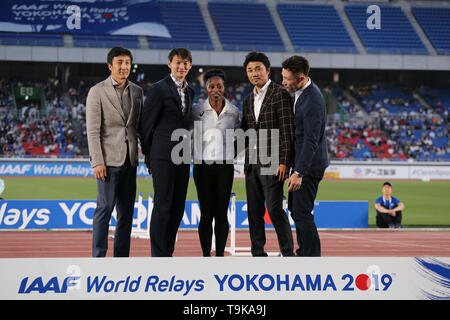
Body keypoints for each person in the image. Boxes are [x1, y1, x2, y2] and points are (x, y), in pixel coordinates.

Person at [86, 46, 144, 257]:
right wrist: (97, 161)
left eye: (127, 63)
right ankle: (98, 256)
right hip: (107, 162)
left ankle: (121, 258)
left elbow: (138, 127)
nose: (124, 67)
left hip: (130, 161)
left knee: (126, 214)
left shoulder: (137, 91)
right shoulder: (97, 91)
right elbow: (92, 131)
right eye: (119, 63)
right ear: (110, 66)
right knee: (104, 209)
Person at [139, 48, 195, 257]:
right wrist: (148, 154)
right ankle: (158, 255)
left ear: (190, 66)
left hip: (182, 156)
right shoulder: (159, 89)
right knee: (163, 205)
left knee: (178, 207)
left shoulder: (190, 91)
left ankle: (167, 252)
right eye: (178, 63)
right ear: (169, 63)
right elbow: (146, 124)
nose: (182, 67)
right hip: (161, 155)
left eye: (186, 63)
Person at [241, 51, 295, 257]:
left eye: (258, 69)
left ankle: (288, 252)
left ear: (267, 70)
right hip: (252, 162)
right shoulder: (247, 100)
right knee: (254, 211)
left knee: (273, 209)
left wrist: (285, 162)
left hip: (273, 162)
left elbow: (287, 129)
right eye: (250, 70)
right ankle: (257, 251)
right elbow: (245, 132)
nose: (254, 73)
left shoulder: (279, 93)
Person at [283, 55, 329, 257]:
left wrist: (299, 172)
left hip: (309, 165)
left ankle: (310, 257)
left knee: (301, 211)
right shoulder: (299, 92)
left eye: (287, 79)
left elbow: (311, 140)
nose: (283, 82)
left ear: (300, 78)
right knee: (296, 209)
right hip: (303, 162)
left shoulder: (313, 100)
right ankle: (305, 252)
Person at [192, 69, 241, 257]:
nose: (215, 90)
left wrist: (233, 152)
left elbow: (242, 136)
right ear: (206, 89)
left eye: (219, 86)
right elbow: (183, 131)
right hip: (202, 167)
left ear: (224, 88)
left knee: (221, 213)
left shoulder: (234, 112)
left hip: (225, 168)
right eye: (212, 86)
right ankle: (206, 255)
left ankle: (219, 255)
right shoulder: (196, 111)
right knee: (206, 214)